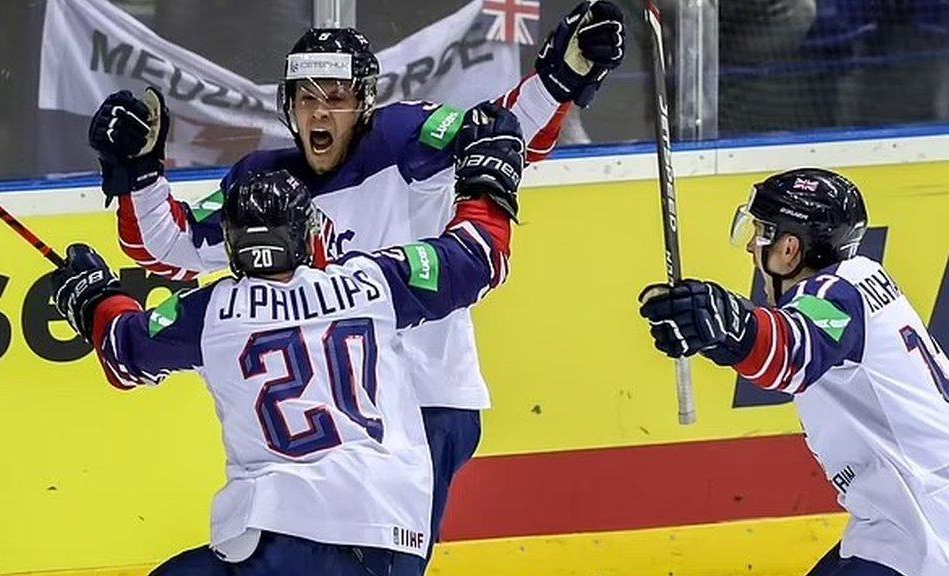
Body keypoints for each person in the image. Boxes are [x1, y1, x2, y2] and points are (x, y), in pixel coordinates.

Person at [86, 0, 626, 555]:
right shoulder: (267, 186)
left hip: (424, 399)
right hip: (331, 419)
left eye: (336, 98)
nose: (319, 114)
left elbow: (500, 131)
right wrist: (141, 174)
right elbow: (170, 244)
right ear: (288, 106)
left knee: (376, 559)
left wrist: (563, 76)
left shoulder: (405, 139)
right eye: (305, 98)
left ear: (363, 103)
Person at [54, 101, 523, 574]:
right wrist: (487, 185)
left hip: (279, 537)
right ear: (312, 236)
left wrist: (92, 297)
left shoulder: (214, 311)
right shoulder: (370, 284)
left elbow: (124, 349)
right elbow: (477, 258)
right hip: (389, 537)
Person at [638, 168, 949, 576]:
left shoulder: (835, 296)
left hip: (925, 531)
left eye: (761, 231)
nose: (752, 244)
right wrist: (724, 329)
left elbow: (793, 348)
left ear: (789, 248)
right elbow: (797, 335)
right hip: (903, 521)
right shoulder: (859, 280)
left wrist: (729, 323)